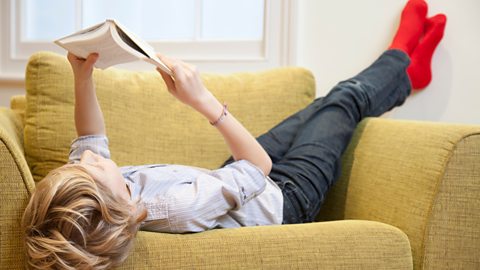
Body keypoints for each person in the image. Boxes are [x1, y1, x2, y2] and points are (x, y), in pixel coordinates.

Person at [22, 0, 446, 269]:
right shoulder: (177, 207)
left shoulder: (104, 200)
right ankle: (406, 60)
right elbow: (258, 167)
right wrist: (201, 99)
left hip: (234, 180)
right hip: (285, 194)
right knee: (345, 100)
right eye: (94, 168)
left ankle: (405, 73)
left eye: (79, 163)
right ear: (117, 207)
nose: (88, 157)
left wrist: (83, 76)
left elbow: (90, 141)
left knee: (324, 104)